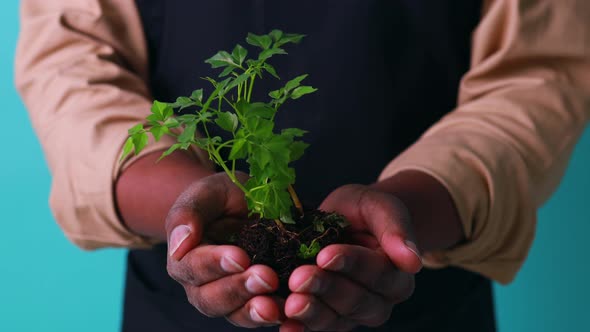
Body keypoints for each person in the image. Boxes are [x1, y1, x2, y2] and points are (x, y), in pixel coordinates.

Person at [15, 0, 590, 331]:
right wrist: (186, 212)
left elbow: (537, 76)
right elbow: (70, 63)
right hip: (177, 305)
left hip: (421, 290)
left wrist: (408, 211)